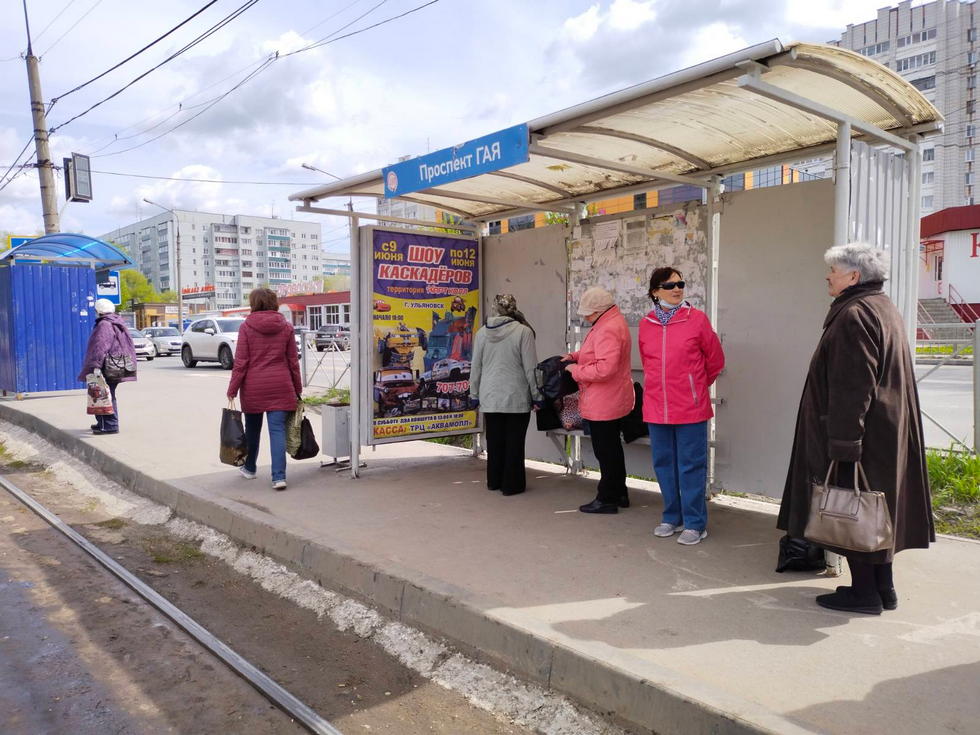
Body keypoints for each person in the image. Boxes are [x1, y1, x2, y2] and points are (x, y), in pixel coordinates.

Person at [779, 243, 933, 614]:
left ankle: (863, 593)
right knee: (875, 509)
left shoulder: (854, 314)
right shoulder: (882, 306)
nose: (828, 277)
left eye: (833, 270)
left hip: (858, 433)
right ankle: (884, 588)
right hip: (883, 431)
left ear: (853, 276)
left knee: (854, 507)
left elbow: (853, 385)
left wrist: (845, 442)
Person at [638, 268, 724, 545]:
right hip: (656, 407)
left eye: (680, 284)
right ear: (655, 292)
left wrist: (695, 387)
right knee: (664, 464)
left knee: (691, 465)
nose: (677, 289)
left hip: (690, 407)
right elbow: (648, 363)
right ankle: (671, 517)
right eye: (669, 285)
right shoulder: (646, 323)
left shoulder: (696, 319)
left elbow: (715, 361)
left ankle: (695, 523)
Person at [564, 287, 635, 514]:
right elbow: (596, 353)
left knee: (605, 451)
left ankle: (607, 498)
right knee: (612, 449)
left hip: (604, 399)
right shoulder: (610, 322)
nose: (585, 317)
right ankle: (619, 493)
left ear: (598, 310)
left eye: (588, 313)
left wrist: (575, 370)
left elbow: (605, 368)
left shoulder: (608, 328)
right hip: (611, 397)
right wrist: (575, 356)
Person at [227, 288, 303, 491]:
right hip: (281, 385)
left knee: (253, 430)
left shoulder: (246, 327)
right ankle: (279, 477)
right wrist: (298, 387)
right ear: (273, 303)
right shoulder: (286, 327)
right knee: (277, 431)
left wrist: (232, 389)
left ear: (254, 303)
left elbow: (241, 362)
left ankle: (250, 469)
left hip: (253, 387)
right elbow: (293, 362)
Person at [469, 294, 542, 496]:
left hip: (490, 395)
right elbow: (531, 369)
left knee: (494, 440)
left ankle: (494, 481)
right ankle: (512, 484)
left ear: (494, 308)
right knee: (514, 442)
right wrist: (537, 395)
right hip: (516, 396)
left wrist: (473, 393)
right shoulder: (524, 332)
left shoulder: (482, 333)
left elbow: (476, 366)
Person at [78, 298, 137, 435]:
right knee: (106, 394)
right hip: (116, 365)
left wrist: (95, 365)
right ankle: (103, 423)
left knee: (103, 395)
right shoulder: (116, 322)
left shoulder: (104, 324)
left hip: (106, 366)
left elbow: (100, 346)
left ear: (99, 311)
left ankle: (109, 425)